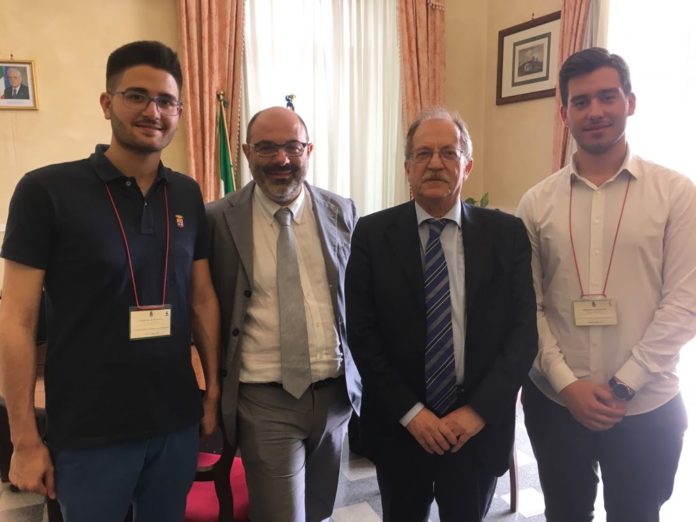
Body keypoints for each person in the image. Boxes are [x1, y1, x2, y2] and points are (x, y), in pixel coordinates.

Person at [0, 40, 220, 522]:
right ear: (107, 103)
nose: (152, 111)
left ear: (179, 112)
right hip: (90, 433)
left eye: (166, 101)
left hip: (174, 423)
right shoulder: (46, 191)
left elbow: (203, 300)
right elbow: (16, 320)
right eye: (136, 96)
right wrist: (23, 438)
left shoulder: (187, 194)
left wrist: (212, 394)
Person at [516, 47, 696, 522]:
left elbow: (686, 303)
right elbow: (527, 306)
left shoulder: (677, 194)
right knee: (564, 513)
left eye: (607, 97)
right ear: (565, 114)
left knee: (637, 514)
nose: (595, 111)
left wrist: (624, 384)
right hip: (557, 402)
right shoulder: (536, 203)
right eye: (581, 101)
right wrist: (566, 384)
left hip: (647, 405)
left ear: (630, 103)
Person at [345, 107, 537, 522]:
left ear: (467, 166)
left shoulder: (506, 235)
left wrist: (477, 412)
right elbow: (361, 334)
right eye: (423, 153)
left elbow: (523, 335)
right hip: (401, 426)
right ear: (407, 168)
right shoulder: (371, 235)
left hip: (476, 427)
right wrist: (413, 415)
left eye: (449, 153)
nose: (435, 163)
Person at [206, 106, 361, 522]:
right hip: (264, 398)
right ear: (246, 152)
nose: (282, 159)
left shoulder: (342, 212)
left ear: (309, 150)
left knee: (319, 510)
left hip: (334, 395)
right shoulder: (217, 219)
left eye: (293, 147)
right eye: (267, 148)